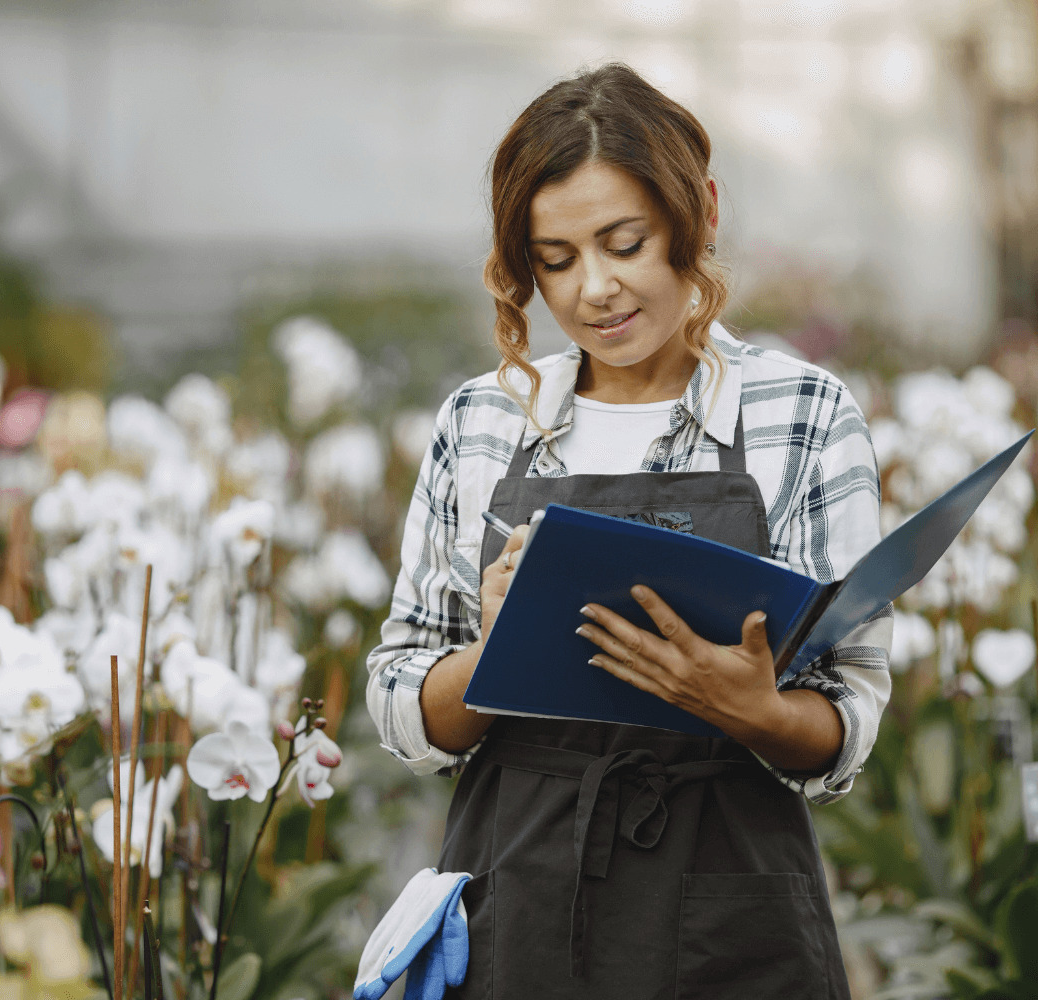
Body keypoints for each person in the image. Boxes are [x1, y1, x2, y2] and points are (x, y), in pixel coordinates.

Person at [366, 62, 891, 999]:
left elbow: (848, 708)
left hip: (733, 895)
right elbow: (404, 700)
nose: (595, 290)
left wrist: (760, 713)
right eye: (556, 259)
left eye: (625, 243)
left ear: (701, 214)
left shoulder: (803, 412)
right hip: (514, 888)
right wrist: (494, 652)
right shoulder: (483, 420)